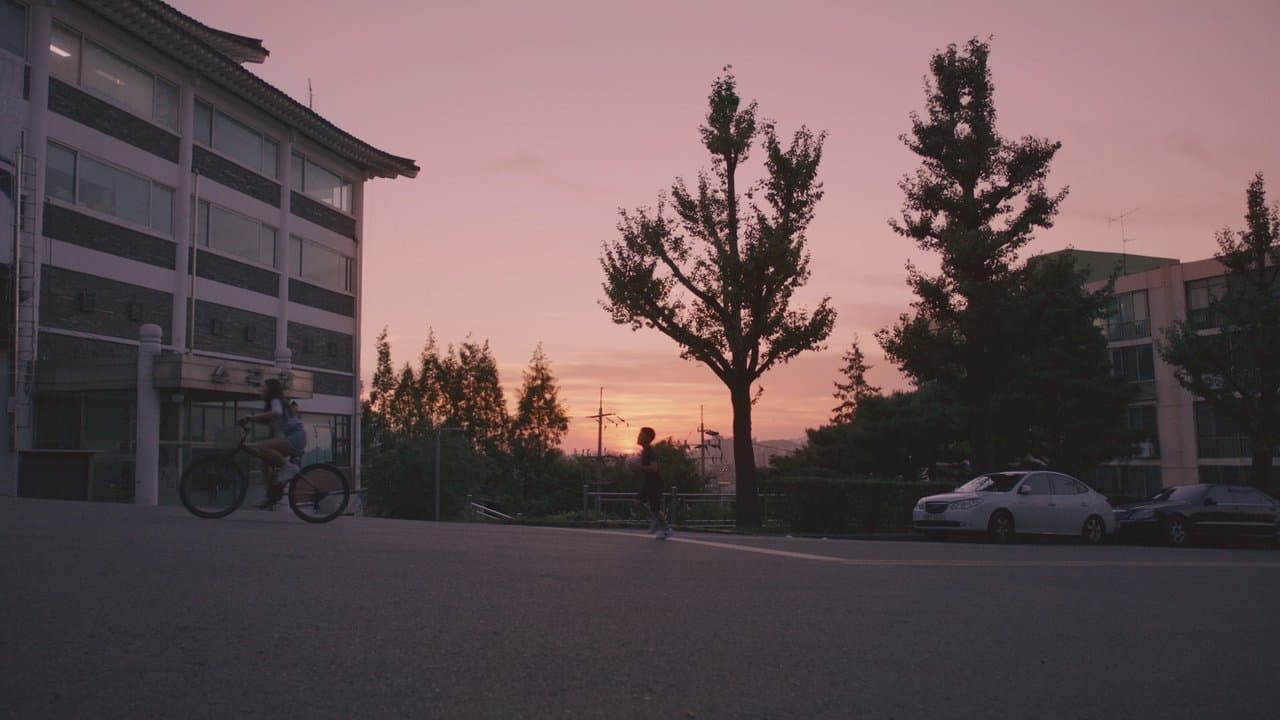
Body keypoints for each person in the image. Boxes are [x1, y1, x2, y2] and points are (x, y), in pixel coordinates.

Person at [239, 378, 307, 508]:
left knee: (262, 447)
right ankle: (269, 495)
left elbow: (277, 412)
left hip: (296, 437)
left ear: (270, 390)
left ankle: (289, 468)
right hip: (295, 437)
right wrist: (250, 420)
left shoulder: (275, 401)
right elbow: (269, 420)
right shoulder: (274, 403)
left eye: (263, 387)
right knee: (264, 461)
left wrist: (251, 418)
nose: (261, 390)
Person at [632, 427, 672, 540]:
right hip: (648, 483)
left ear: (647, 438)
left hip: (655, 483)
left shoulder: (649, 451)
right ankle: (654, 520)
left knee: (655, 509)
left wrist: (639, 466)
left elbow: (654, 468)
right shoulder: (645, 451)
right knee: (637, 502)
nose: (638, 437)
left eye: (641, 435)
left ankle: (666, 529)